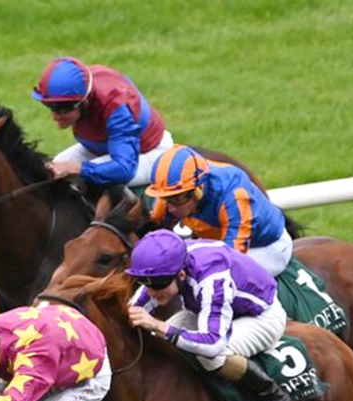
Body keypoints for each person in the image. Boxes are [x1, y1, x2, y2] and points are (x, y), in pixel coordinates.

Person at [126, 229, 292, 401]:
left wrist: (158, 325)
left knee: (210, 357)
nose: (151, 292)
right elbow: (134, 308)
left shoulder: (211, 278)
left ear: (181, 275)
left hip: (260, 316)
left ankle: (273, 395)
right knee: (159, 338)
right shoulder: (169, 265)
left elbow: (212, 344)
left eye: (157, 286)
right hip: (211, 309)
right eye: (146, 284)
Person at [147, 145, 293, 277]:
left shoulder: (234, 198)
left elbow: (233, 256)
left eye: (177, 199)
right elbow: (152, 230)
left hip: (265, 247)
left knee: (218, 279)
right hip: (218, 242)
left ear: (198, 190)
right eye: (166, 199)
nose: (170, 208)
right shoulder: (176, 191)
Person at [30, 56, 173, 189]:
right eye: (49, 106)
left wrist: (77, 168)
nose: (54, 117)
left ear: (83, 102)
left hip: (148, 153)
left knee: (86, 180)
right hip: (108, 148)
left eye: (61, 109)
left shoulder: (117, 108)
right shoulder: (82, 86)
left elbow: (124, 169)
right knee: (54, 169)